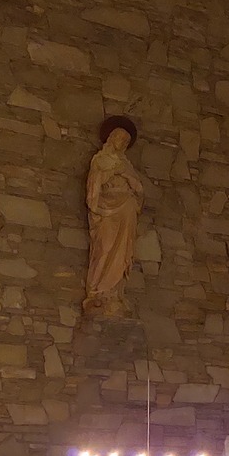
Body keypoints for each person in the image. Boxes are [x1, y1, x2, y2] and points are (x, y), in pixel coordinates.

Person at [83, 116, 144, 315]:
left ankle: (115, 292)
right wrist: (113, 171)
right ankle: (99, 290)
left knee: (123, 249)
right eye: (120, 138)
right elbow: (95, 184)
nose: (123, 143)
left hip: (127, 210)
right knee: (106, 247)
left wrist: (124, 173)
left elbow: (138, 189)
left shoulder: (127, 165)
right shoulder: (100, 159)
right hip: (107, 210)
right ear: (112, 138)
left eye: (126, 141)